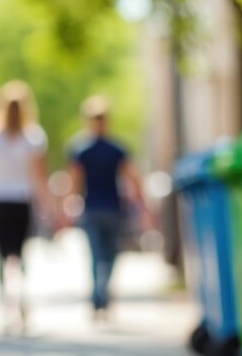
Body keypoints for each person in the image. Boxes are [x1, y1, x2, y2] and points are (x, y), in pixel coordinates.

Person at [0, 80, 63, 332]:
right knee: (21, 254)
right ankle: (21, 297)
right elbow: (38, 177)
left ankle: (6, 306)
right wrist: (48, 207)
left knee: (1, 255)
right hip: (22, 201)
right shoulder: (33, 137)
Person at [66, 95, 154, 323]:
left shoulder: (82, 149)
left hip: (98, 208)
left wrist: (69, 204)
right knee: (108, 255)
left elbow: (74, 182)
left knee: (100, 255)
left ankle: (99, 296)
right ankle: (101, 295)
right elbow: (133, 180)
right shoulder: (114, 149)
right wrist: (143, 206)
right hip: (108, 208)